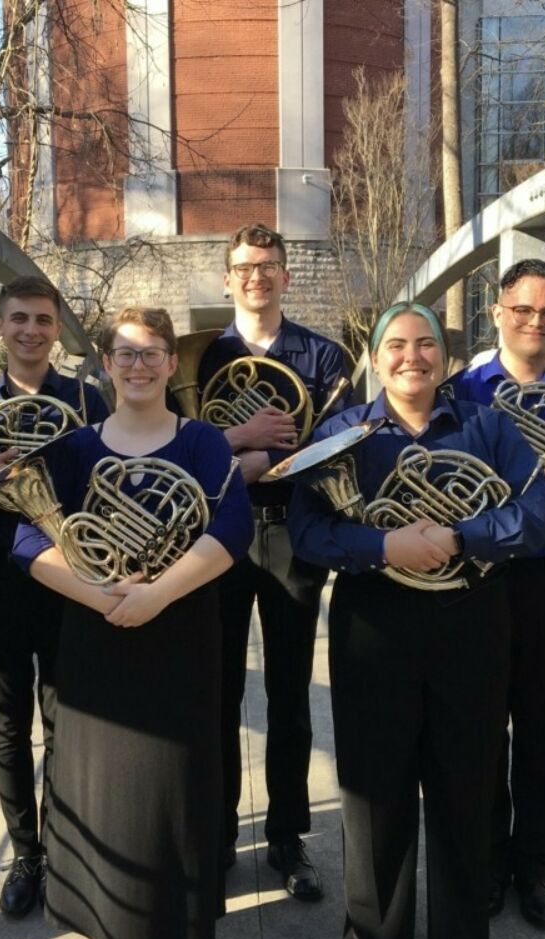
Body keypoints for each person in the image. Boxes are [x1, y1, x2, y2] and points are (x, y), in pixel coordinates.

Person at [288, 303, 545, 939]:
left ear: (444, 356)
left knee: (466, 791)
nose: (412, 356)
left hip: (472, 617)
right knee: (374, 794)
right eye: (397, 345)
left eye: (425, 345)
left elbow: (543, 512)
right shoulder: (344, 429)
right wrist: (383, 545)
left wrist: (459, 534)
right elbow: (307, 530)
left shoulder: (487, 426)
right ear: (377, 358)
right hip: (374, 623)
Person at [12, 307, 253, 939]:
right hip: (98, 640)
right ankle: (114, 932)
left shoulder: (202, 441)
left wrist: (156, 594)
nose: (139, 365)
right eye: (125, 353)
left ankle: (178, 934)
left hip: (179, 634)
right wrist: (99, 594)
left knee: (175, 790)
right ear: (108, 364)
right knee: (107, 792)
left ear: (173, 363)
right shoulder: (77, 447)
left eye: (152, 353)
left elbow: (232, 527)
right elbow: (28, 536)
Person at [195, 223, 350, 899]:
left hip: (292, 532)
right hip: (220, 534)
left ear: (286, 276)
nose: (256, 276)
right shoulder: (197, 356)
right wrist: (244, 444)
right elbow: (178, 447)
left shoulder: (323, 355)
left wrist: (262, 462)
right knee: (217, 691)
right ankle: (218, 834)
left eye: (268, 265)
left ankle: (288, 841)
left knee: (289, 695)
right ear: (227, 278)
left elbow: (333, 447)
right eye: (244, 266)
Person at [447, 258, 545, 928]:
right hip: (476, 577)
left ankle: (536, 867)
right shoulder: (460, 391)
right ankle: (483, 864)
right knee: (479, 730)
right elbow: (445, 477)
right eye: (523, 309)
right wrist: (534, 488)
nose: (536, 323)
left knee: (542, 730)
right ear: (497, 311)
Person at [0, 276, 108, 916]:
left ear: (56, 327)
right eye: (19, 319)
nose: (32, 331)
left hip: (70, 577)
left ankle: (67, 855)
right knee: (8, 728)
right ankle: (26, 857)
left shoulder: (90, 400)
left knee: (66, 723)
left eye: (44, 320)